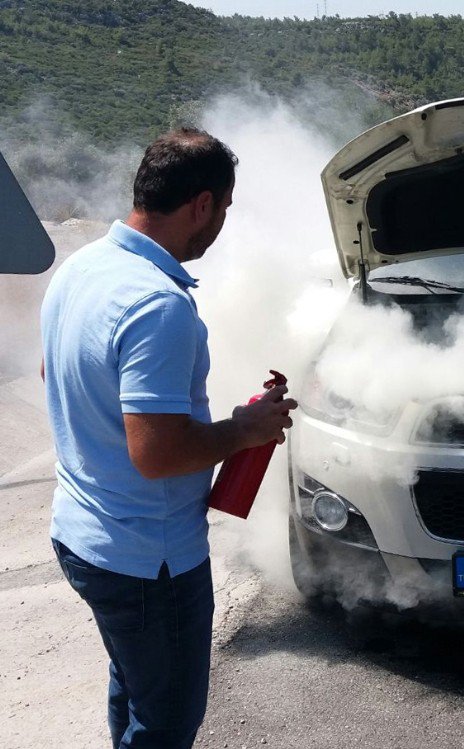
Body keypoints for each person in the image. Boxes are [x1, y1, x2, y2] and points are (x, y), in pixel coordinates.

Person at [40, 128, 297, 747]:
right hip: (148, 562)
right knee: (167, 721)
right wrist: (243, 430)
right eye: (225, 211)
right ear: (202, 205)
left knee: (135, 684)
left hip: (84, 535)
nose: (221, 227)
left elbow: (61, 373)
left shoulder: (84, 268)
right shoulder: (159, 304)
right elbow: (155, 455)